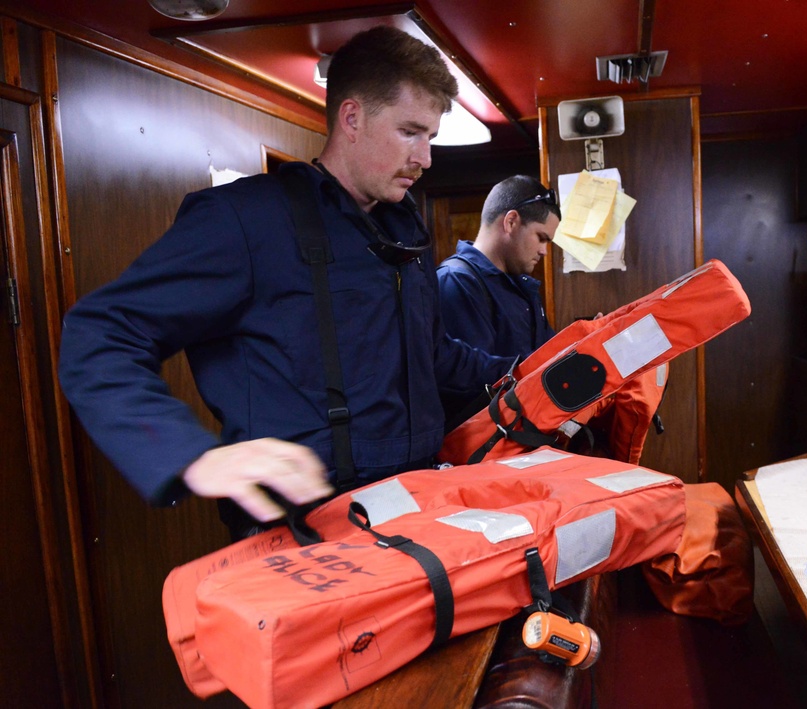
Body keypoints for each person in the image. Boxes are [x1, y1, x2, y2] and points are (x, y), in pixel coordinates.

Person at [57, 25, 513, 538]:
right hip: (304, 532)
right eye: (410, 132)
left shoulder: (402, 232)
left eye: (430, 137)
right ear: (352, 117)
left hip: (415, 506)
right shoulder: (245, 220)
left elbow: (433, 355)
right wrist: (190, 455)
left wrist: (527, 370)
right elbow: (99, 334)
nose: (425, 158)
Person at [437, 175, 560, 360]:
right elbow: (469, 377)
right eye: (541, 238)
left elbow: (547, 359)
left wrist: (585, 340)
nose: (544, 251)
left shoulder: (522, 287)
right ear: (511, 222)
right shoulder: (457, 281)